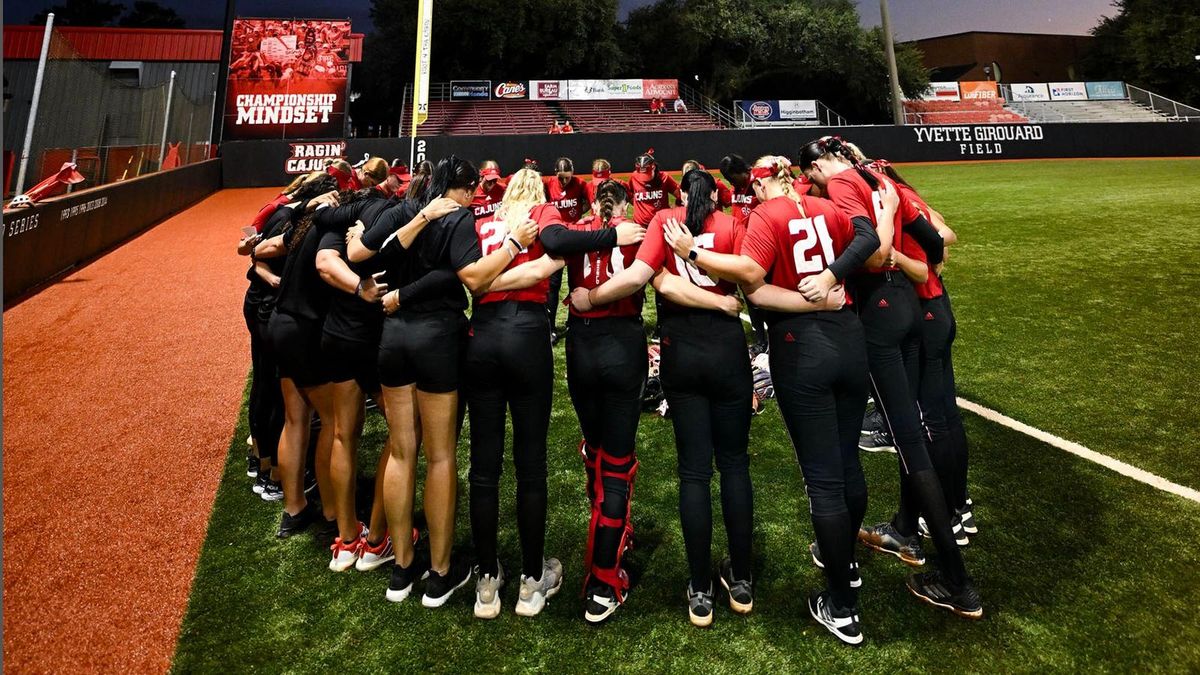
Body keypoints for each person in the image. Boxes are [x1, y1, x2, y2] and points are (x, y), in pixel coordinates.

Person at [659, 155, 887, 644]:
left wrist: (694, 259)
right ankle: (821, 568)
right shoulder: (824, 207)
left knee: (811, 481)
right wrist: (832, 283)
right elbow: (873, 247)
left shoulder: (755, 215)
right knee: (844, 465)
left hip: (794, 347)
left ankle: (837, 603)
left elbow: (753, 286)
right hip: (848, 339)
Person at [798, 136, 982, 620]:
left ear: (820, 164)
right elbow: (937, 240)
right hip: (910, 304)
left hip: (878, 310)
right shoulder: (878, 175)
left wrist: (842, 268)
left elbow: (875, 253)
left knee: (909, 442)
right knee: (917, 431)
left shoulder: (840, 183)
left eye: (811, 173)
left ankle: (957, 579)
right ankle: (915, 531)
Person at [348, 156, 539, 607]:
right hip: (437, 339)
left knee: (400, 451)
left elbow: (359, 253)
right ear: (467, 187)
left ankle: (400, 567)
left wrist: (392, 274)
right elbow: (463, 275)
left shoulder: (402, 208)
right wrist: (512, 245)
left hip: (392, 340)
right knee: (439, 457)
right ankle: (439, 572)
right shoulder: (461, 218)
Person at [572, 169, 754, 628]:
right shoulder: (732, 223)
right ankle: (744, 578)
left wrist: (589, 300)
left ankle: (698, 589)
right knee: (734, 464)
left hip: (681, 349)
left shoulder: (665, 220)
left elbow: (652, 281)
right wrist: (722, 302)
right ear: (715, 193)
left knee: (694, 472)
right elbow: (752, 279)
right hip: (727, 348)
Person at [464, 170, 646, 621]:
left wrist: (485, 284)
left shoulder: (478, 221)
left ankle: (486, 581)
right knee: (538, 464)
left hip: (483, 337)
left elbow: (471, 276)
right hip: (543, 337)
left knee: (484, 466)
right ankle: (537, 580)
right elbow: (551, 259)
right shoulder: (548, 216)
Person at [311, 186, 400, 572]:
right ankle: (378, 538)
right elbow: (326, 263)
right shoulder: (392, 215)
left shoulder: (341, 217)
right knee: (402, 434)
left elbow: (325, 261)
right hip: (372, 339)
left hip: (338, 335)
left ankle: (347, 541)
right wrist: (360, 288)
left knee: (343, 436)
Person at [253, 177, 342, 539]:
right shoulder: (330, 227)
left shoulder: (302, 224)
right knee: (334, 421)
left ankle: (294, 509)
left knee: (296, 419)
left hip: (279, 323)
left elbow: (261, 248)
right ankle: (334, 511)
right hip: (304, 329)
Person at [543, 157, 589, 333]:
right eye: (560, 177)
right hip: (555, 238)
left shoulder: (580, 184)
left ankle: (573, 322)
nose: (563, 181)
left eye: (567, 177)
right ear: (555, 174)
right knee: (552, 284)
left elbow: (590, 202)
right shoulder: (548, 184)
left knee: (576, 281)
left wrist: (578, 213)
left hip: (573, 236)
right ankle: (551, 327)